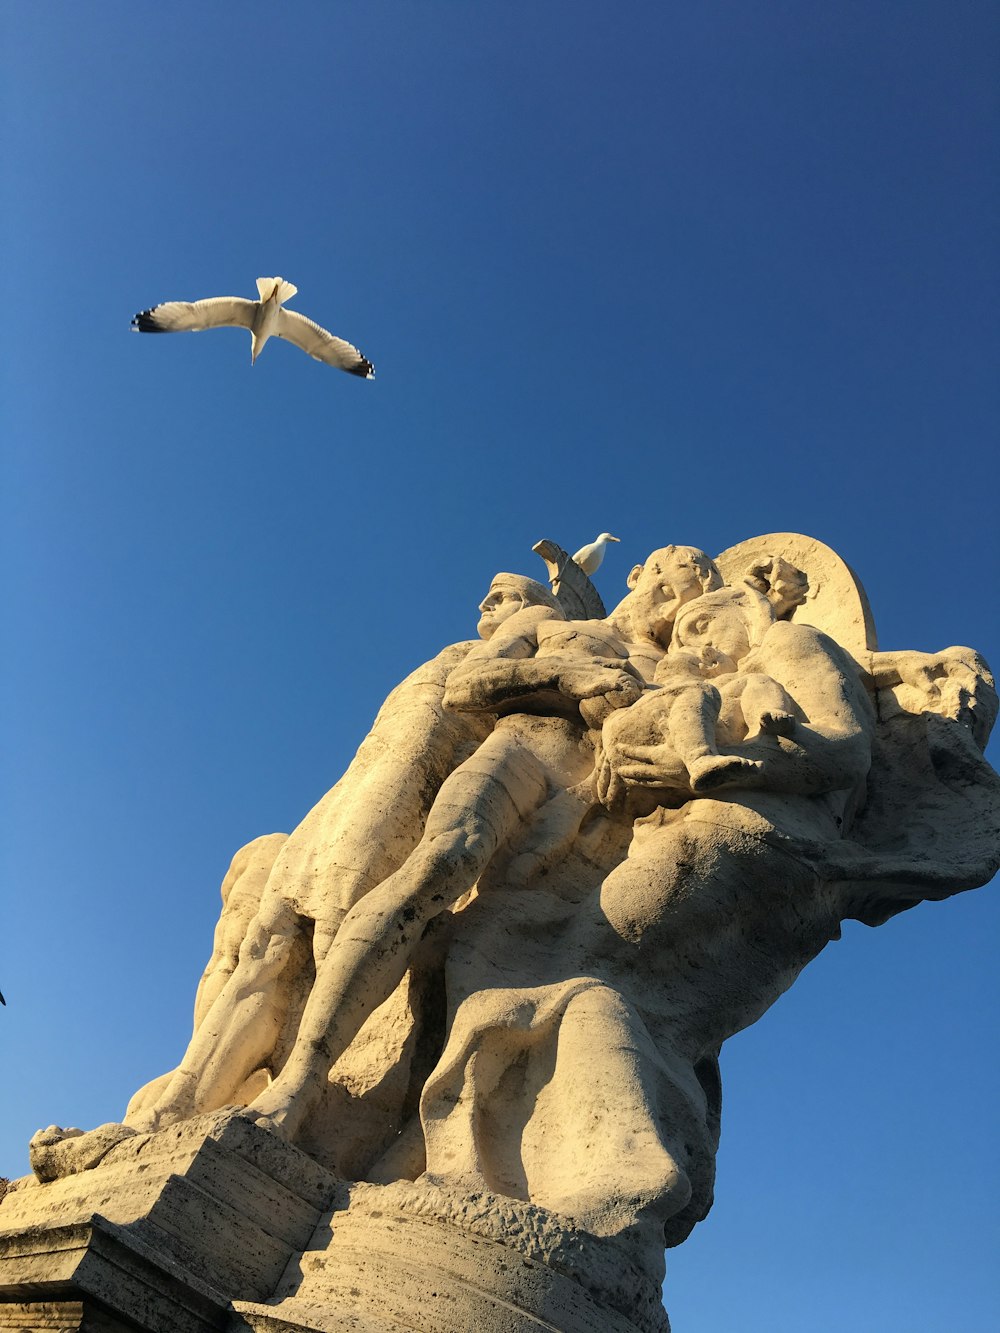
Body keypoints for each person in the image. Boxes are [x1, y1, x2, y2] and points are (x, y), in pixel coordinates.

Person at [242, 547, 724, 1139]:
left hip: (585, 805)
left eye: (702, 586)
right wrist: (569, 676)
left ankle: (434, 1128)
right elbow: (468, 685)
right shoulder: (562, 628)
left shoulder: (684, 669)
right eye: (683, 574)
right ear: (641, 576)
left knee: (504, 945)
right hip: (523, 749)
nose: (693, 591)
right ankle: (301, 1080)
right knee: (438, 868)